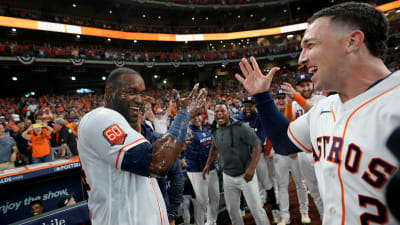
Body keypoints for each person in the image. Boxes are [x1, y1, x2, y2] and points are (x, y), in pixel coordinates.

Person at [235, 2, 400, 224]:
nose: (302, 59)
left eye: (310, 45)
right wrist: (262, 97)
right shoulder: (324, 108)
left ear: (352, 41)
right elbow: (284, 141)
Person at [77, 67, 206, 225]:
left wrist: (170, 213)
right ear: (110, 93)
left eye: (142, 94)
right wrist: (184, 115)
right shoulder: (99, 118)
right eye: (132, 92)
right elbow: (157, 163)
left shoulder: (130, 127)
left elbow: (169, 164)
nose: (139, 99)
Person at [203, 102, 270, 225]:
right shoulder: (214, 129)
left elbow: (257, 145)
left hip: (245, 175)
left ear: (228, 113)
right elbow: (214, 147)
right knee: (233, 212)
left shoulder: (241, 127)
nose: (219, 114)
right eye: (217, 112)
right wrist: (208, 164)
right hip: (228, 176)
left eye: (222, 111)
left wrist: (251, 168)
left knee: (256, 210)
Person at [280, 73, 325, 218]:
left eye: (308, 84)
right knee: (315, 191)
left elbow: (315, 112)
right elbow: (288, 124)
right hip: (303, 152)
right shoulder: (294, 104)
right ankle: (325, 218)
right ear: (297, 87)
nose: (306, 88)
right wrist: (288, 104)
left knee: (328, 188)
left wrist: (296, 98)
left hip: (322, 149)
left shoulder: (323, 100)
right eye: (302, 85)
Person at [235, 96, 280, 224]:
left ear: (255, 106)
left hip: (258, 156)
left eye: (251, 105)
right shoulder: (237, 120)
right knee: (244, 183)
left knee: (266, 182)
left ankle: (275, 209)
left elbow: (259, 139)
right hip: (244, 158)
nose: (248, 108)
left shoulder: (259, 118)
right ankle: (243, 207)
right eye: (246, 105)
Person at [270, 90, 310, 225]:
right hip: (280, 153)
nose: (281, 100)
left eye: (283, 97)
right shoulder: (273, 113)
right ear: (275, 100)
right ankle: (284, 216)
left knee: (300, 183)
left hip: (296, 153)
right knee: (282, 186)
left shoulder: (293, 109)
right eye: (278, 98)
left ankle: (304, 212)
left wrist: (296, 148)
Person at [184, 113, 220, 225]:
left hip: (211, 168)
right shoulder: (188, 132)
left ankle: (212, 222)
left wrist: (211, 156)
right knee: (202, 201)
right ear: (190, 119)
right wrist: (210, 154)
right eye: (193, 117)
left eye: (198, 115)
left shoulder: (205, 129)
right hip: (197, 171)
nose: (196, 118)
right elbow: (190, 154)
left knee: (215, 198)